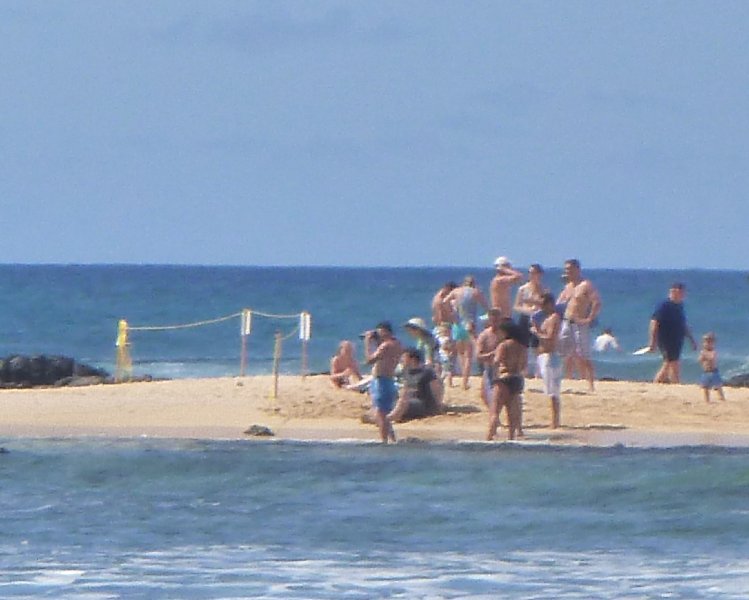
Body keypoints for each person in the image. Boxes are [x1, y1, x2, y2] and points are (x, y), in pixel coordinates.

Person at [556, 259, 602, 391]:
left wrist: (589, 319)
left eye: (569, 269)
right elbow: (559, 304)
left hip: (579, 323)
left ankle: (591, 383)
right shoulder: (568, 286)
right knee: (562, 351)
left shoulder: (586, 285)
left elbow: (596, 302)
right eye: (566, 269)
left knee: (584, 354)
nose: (567, 272)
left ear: (577, 269)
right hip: (566, 322)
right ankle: (562, 378)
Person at [443, 275, 490, 390]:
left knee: (460, 353)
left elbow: (444, 301)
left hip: (457, 324)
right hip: (470, 324)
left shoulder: (456, 291)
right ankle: (465, 382)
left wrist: (452, 312)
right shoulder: (475, 292)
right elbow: (487, 307)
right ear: (473, 283)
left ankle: (462, 377)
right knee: (469, 355)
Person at [648, 282, 697, 384]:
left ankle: (666, 383)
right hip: (666, 339)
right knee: (672, 363)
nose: (683, 295)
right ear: (673, 291)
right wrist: (653, 342)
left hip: (677, 340)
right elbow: (654, 322)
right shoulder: (664, 305)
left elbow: (683, 324)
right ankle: (673, 384)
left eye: (683, 293)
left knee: (670, 364)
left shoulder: (679, 306)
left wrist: (692, 340)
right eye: (681, 293)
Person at [488, 321, 527, 441]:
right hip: (517, 379)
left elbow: (497, 361)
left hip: (504, 377)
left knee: (495, 412)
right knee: (512, 414)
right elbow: (523, 365)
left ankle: (488, 438)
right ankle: (511, 438)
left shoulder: (503, 345)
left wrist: (492, 359)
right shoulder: (521, 347)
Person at [364, 321, 403, 443]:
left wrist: (367, 343)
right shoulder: (397, 344)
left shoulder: (386, 346)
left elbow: (369, 360)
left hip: (381, 381)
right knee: (385, 413)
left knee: (380, 413)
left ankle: (384, 441)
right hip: (389, 380)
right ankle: (392, 440)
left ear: (385, 331)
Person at [532, 293, 563, 428]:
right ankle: (554, 420)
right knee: (549, 390)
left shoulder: (554, 318)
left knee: (553, 392)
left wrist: (536, 333)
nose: (541, 307)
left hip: (551, 357)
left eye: (543, 304)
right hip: (545, 356)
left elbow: (550, 338)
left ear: (550, 304)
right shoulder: (546, 319)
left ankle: (555, 421)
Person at [389, 348, 445, 422]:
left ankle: (393, 417)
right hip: (409, 401)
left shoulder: (427, 372)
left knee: (403, 401)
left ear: (413, 359)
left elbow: (437, 389)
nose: (401, 360)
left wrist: (437, 405)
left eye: (404, 357)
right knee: (390, 401)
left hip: (423, 403)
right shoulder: (405, 372)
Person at [513, 263, 549, 361]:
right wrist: (527, 310)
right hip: (525, 317)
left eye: (534, 273)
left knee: (537, 344)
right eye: (530, 273)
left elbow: (547, 306)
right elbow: (516, 306)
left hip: (538, 318)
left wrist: (537, 305)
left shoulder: (544, 290)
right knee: (522, 344)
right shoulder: (523, 289)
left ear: (540, 274)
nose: (531, 275)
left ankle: (537, 370)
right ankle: (523, 369)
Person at [476, 308, 504, 409]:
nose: (495, 322)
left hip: (503, 368)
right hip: (490, 367)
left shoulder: (505, 334)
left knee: (499, 394)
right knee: (484, 395)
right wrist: (493, 354)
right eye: (493, 320)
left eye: (497, 320)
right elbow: (478, 356)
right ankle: (493, 411)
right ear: (489, 320)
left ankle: (495, 413)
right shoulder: (484, 335)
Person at [698, 332, 726, 403]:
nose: (706, 344)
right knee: (705, 387)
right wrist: (702, 357)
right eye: (705, 342)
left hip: (714, 371)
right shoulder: (702, 352)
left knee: (718, 385)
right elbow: (699, 360)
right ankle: (707, 400)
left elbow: (712, 358)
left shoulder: (713, 352)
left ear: (713, 344)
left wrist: (705, 355)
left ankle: (721, 397)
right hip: (706, 372)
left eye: (709, 342)